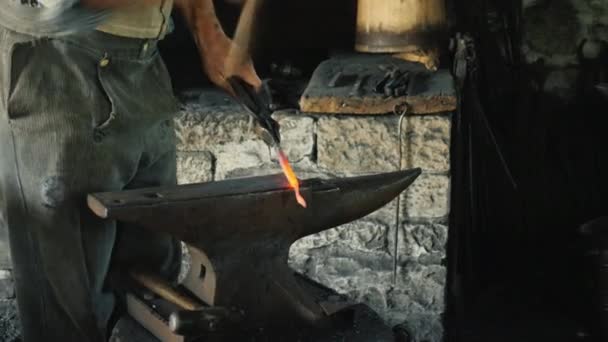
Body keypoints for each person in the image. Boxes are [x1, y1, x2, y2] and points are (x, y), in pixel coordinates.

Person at [0, 0, 260, 341]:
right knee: (68, 316)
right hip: (58, 64)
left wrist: (209, 34)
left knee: (152, 298)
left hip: (144, 62)